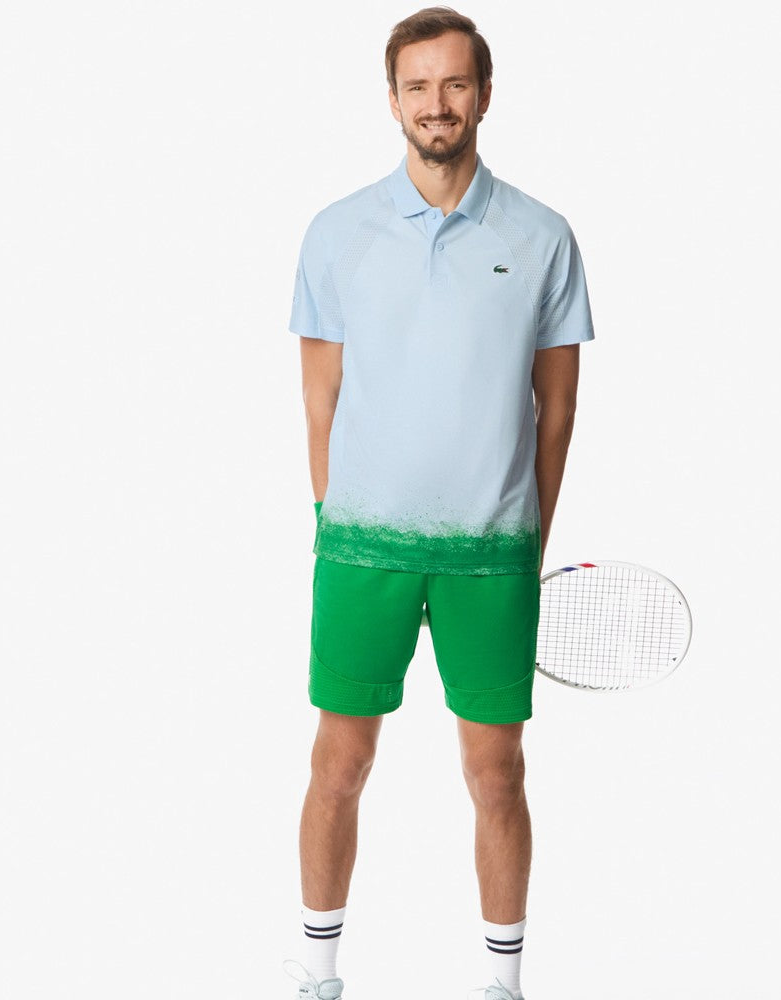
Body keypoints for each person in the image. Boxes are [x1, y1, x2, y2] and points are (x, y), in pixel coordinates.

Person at [284, 7, 594, 999]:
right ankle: (316, 974)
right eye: (417, 86)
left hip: (492, 555)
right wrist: (331, 513)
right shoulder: (336, 232)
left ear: (485, 95)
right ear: (392, 100)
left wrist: (528, 536)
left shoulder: (544, 236)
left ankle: (502, 984)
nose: (436, 103)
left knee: (496, 775)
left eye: (454, 83)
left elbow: (556, 409)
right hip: (360, 549)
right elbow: (321, 394)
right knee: (338, 765)